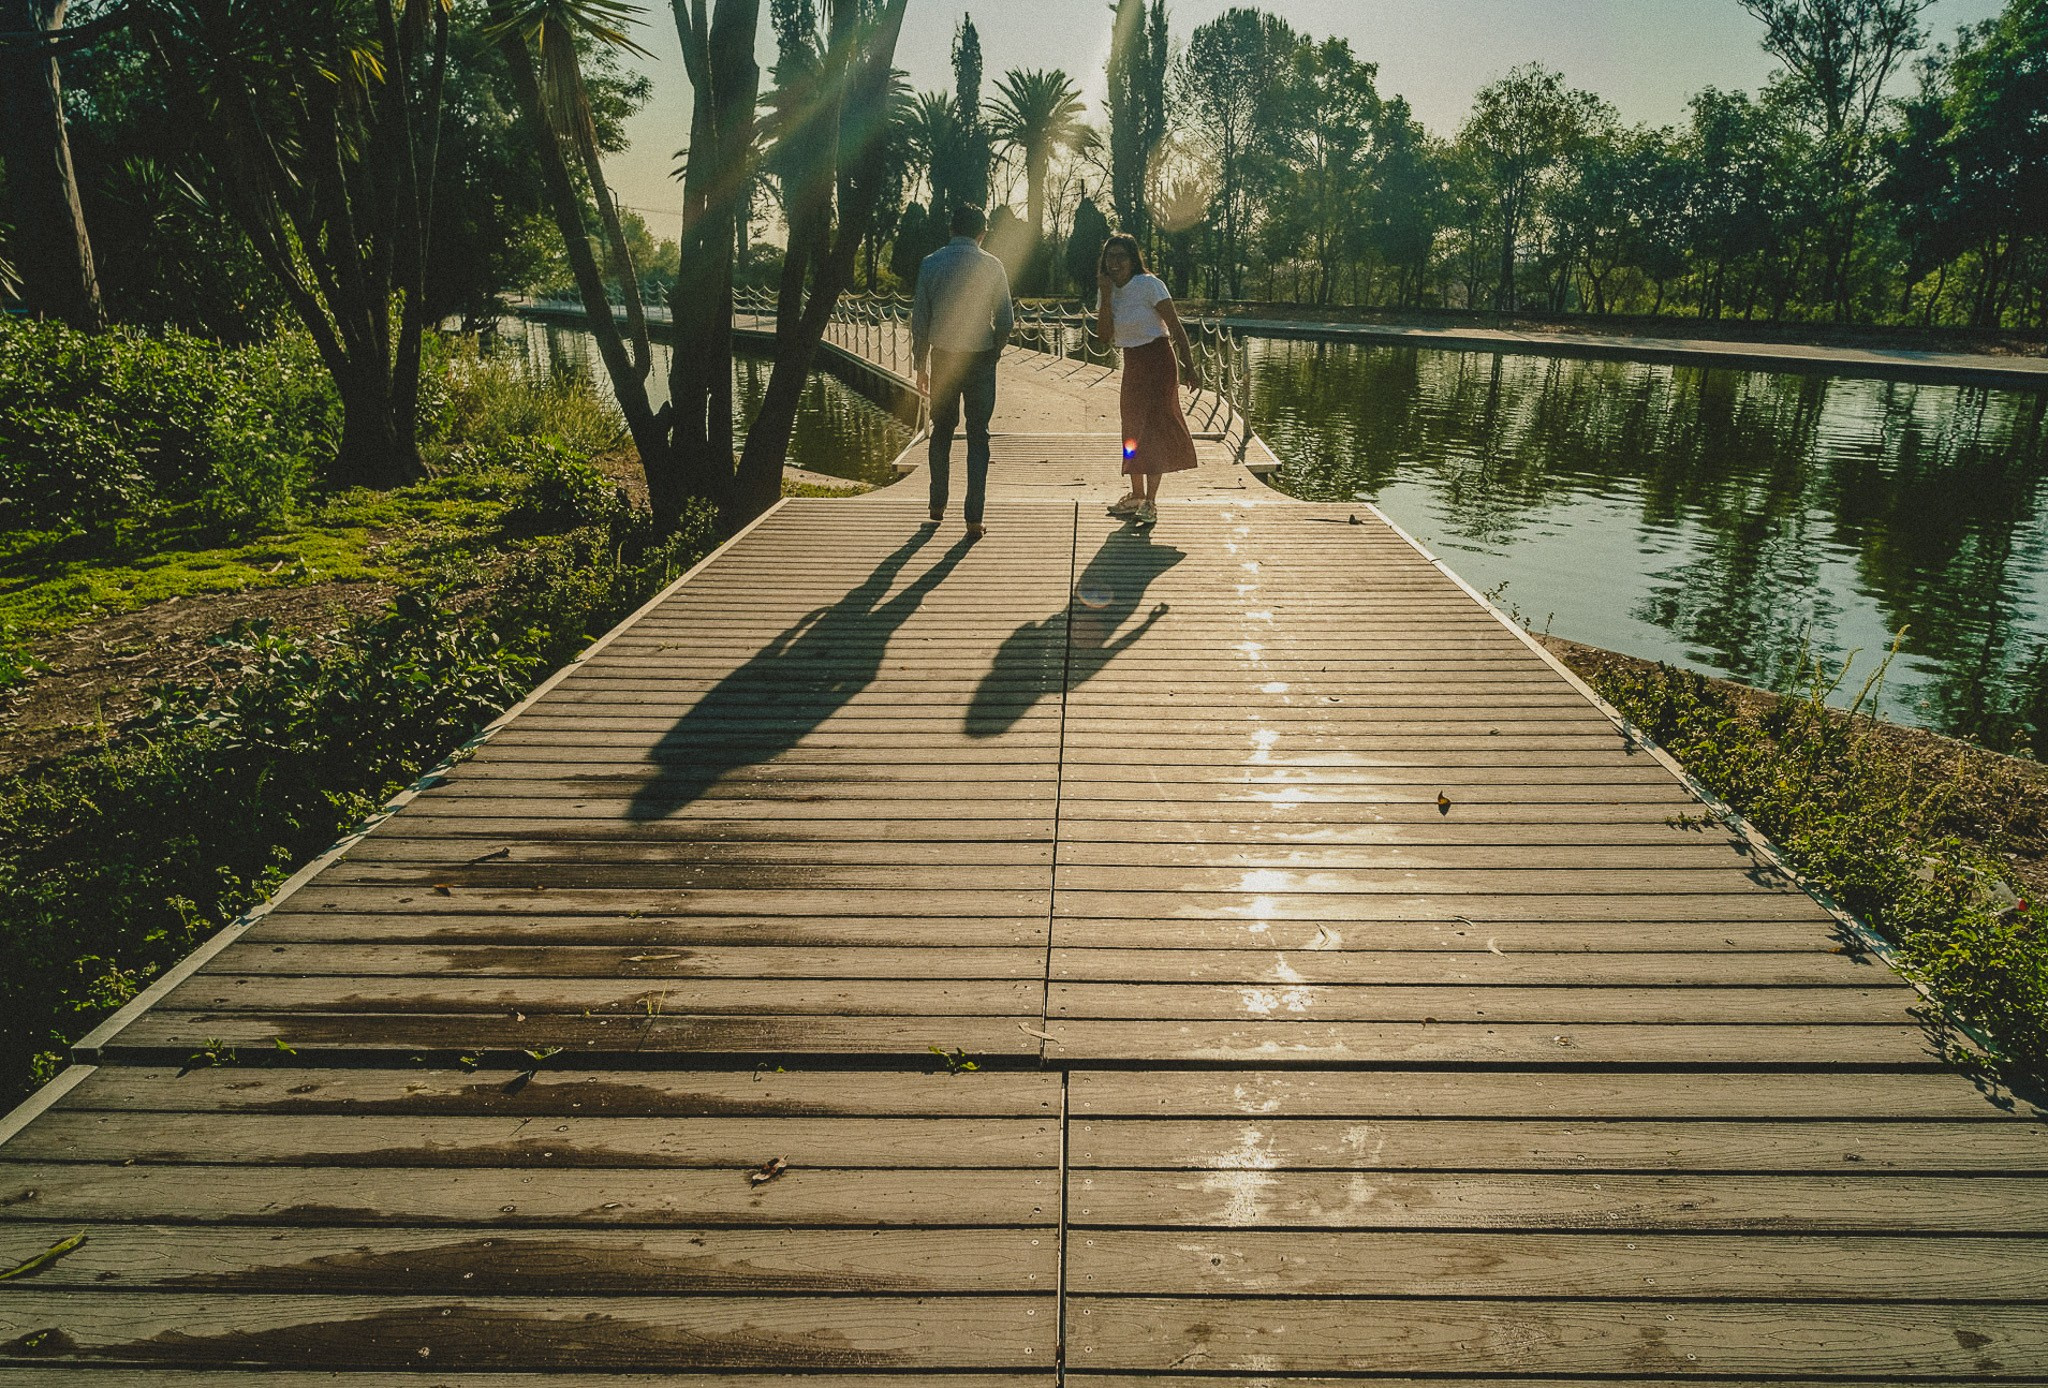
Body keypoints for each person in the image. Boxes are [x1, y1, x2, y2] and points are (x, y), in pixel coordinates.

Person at [910, 204, 1014, 540]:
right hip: (980, 357)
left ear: (951, 229)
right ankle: (973, 517)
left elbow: (920, 321)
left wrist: (920, 365)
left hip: (943, 359)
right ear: (983, 232)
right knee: (978, 434)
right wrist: (994, 352)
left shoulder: (930, 263)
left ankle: (937, 505)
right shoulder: (993, 265)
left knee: (941, 430)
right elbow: (1007, 320)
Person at [1095, 233, 1197, 525]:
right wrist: (1104, 296)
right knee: (1132, 428)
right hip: (1133, 362)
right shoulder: (1107, 290)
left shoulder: (1149, 284)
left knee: (1155, 429)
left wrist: (1189, 366)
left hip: (1159, 361)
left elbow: (1176, 327)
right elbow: (1103, 337)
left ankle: (1151, 501)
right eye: (1109, 257)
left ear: (1133, 259)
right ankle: (1136, 495)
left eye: (1120, 257)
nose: (1114, 263)